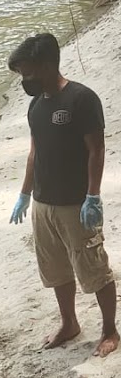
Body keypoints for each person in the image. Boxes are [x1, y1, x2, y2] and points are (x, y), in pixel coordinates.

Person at [8, 32, 118, 356]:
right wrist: (25, 195)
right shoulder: (35, 107)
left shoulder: (82, 99)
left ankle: (110, 330)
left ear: (46, 65)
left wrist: (93, 195)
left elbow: (96, 150)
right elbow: (34, 153)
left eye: (27, 73)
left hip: (76, 203)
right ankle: (69, 322)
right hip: (44, 203)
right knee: (55, 269)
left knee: (94, 268)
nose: (24, 80)